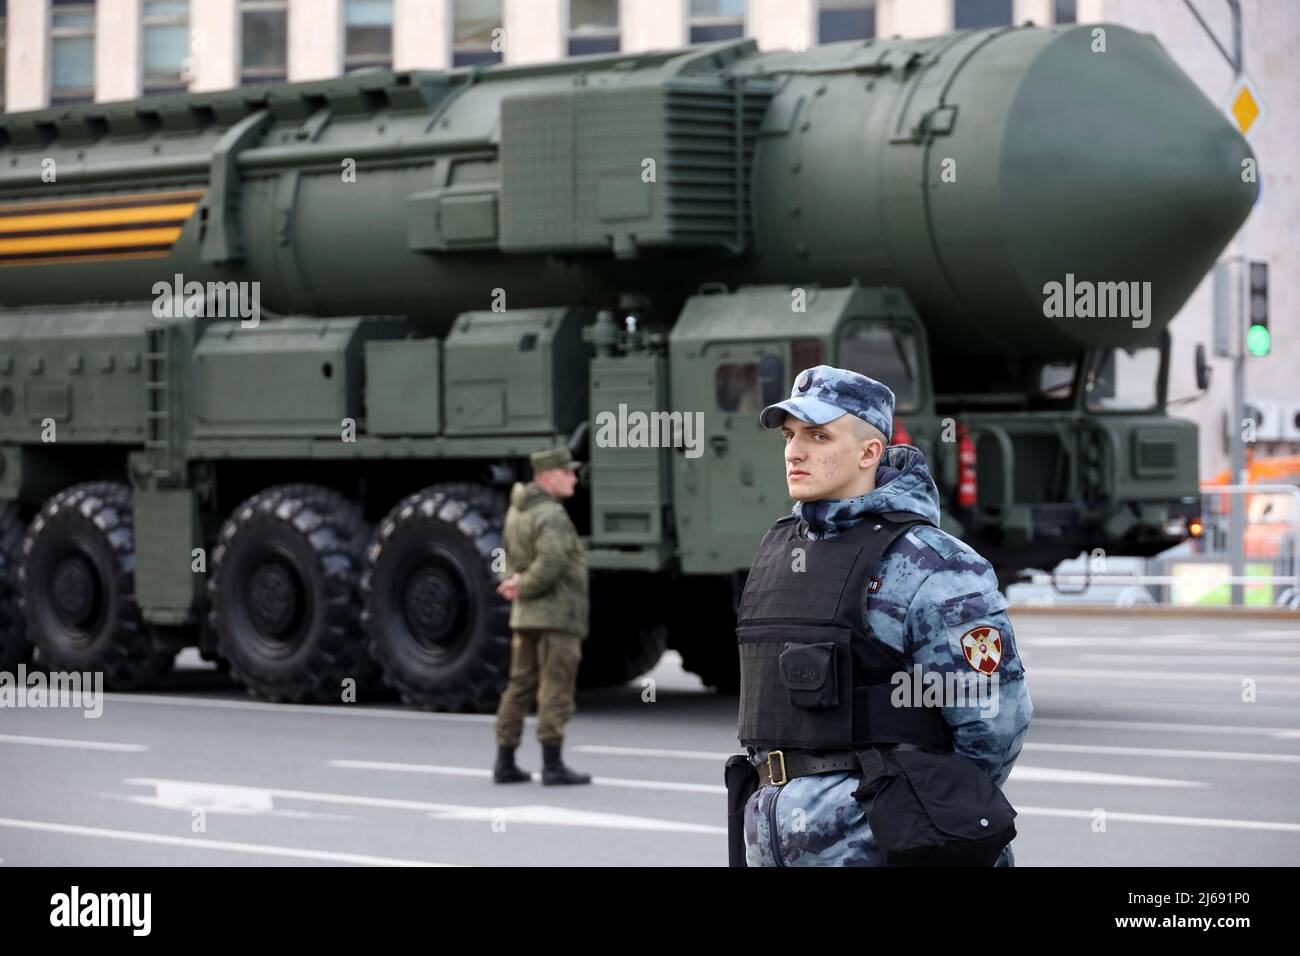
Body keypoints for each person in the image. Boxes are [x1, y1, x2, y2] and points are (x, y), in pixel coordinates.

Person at [734, 365, 1033, 866]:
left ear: (869, 452)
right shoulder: (778, 548)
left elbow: (995, 720)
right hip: (776, 844)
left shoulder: (932, 562)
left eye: (819, 435)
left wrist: (938, 812)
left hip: (887, 845)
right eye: (790, 436)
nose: (795, 451)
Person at [493, 446, 592, 786]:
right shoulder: (551, 515)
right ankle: (552, 764)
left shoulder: (517, 510)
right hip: (555, 616)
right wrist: (526, 586)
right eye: (567, 473)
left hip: (525, 617)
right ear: (548, 476)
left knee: (519, 686)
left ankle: (504, 760)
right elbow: (552, 563)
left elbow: (508, 555)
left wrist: (512, 583)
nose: (574, 479)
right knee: (555, 689)